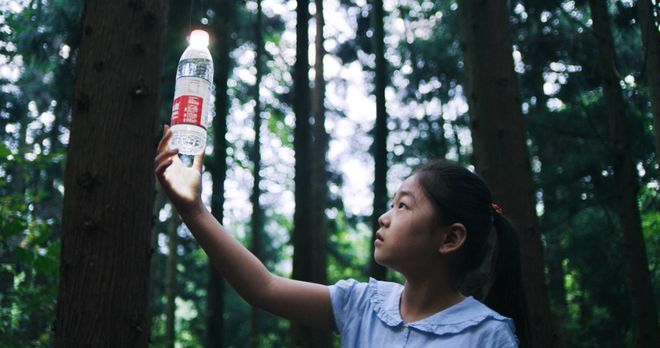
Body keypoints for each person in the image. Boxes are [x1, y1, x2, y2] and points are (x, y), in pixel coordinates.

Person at [155, 125, 524, 347]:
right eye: (390, 204)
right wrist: (193, 210)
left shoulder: (487, 336)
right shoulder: (362, 304)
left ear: (450, 239)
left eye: (403, 207)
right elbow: (263, 287)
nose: (383, 217)